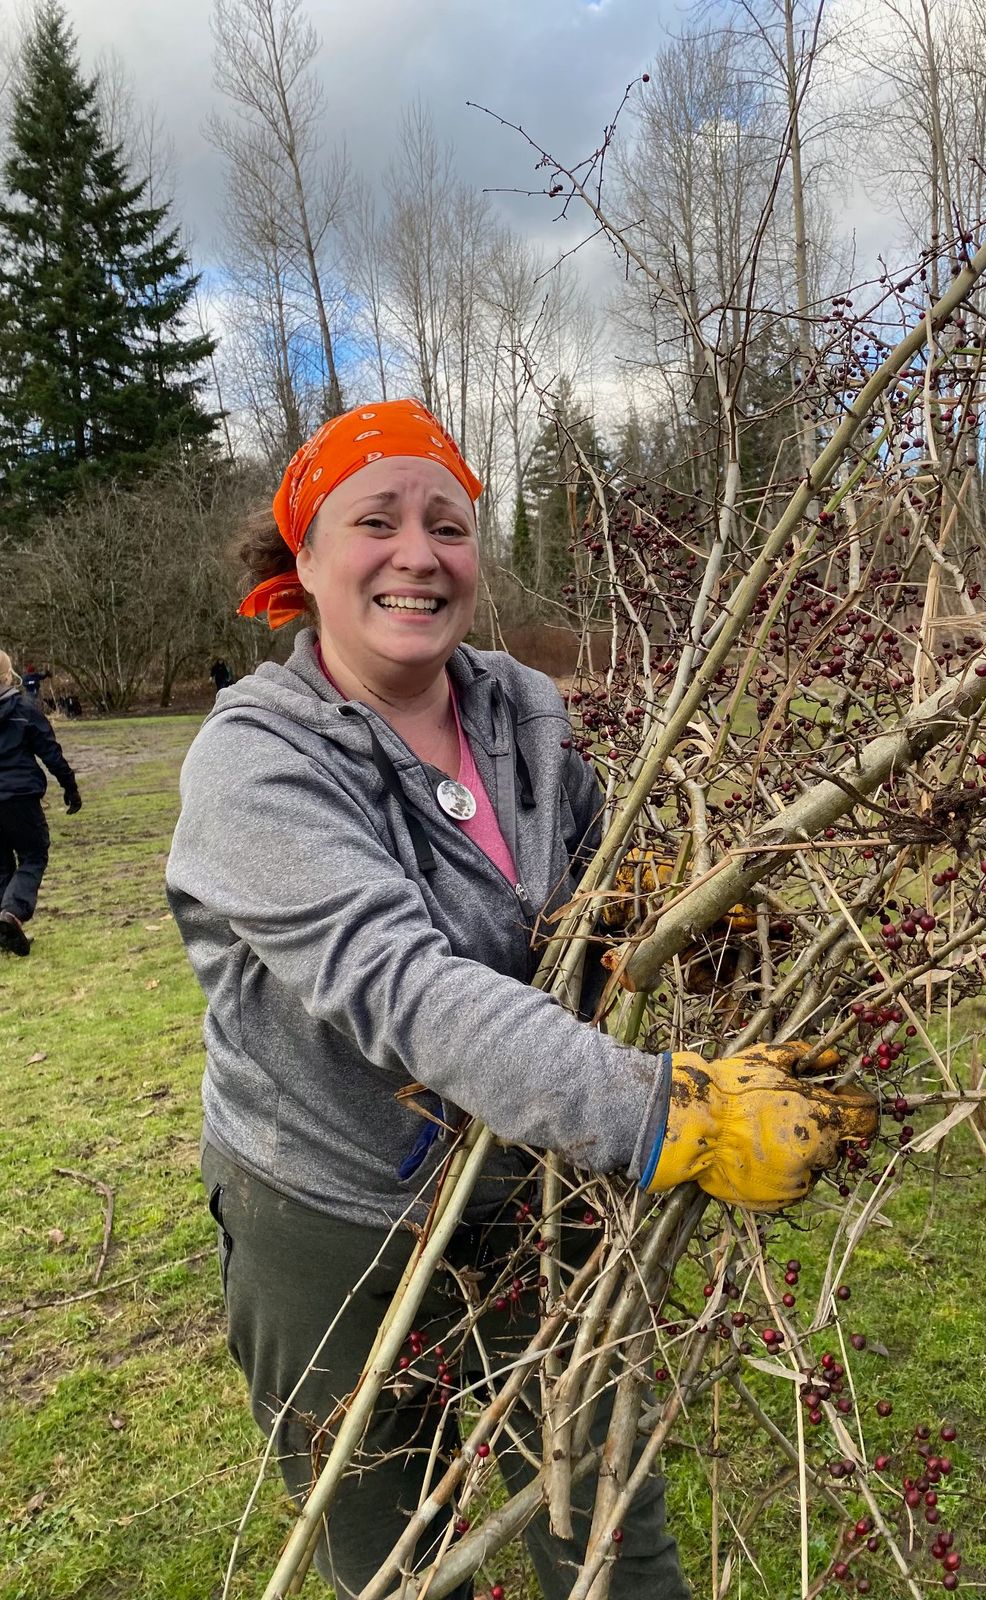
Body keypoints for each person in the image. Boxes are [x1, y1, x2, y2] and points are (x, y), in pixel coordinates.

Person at [166, 401, 877, 1600]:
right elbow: (408, 991)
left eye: (447, 524)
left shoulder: (521, 710)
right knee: (396, 1555)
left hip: (539, 1186)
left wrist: (668, 921)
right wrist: (675, 1115)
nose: (418, 553)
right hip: (332, 1218)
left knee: (611, 1536)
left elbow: (584, 897)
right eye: (375, 520)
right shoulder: (255, 759)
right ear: (304, 558)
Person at [0, 650, 82, 957]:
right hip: (19, 796)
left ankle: (7, 927)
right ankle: (12, 913)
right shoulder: (24, 709)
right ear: (9, 676)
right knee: (34, 854)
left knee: (2, 866)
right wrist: (69, 787)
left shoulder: (24, 709)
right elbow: (50, 752)